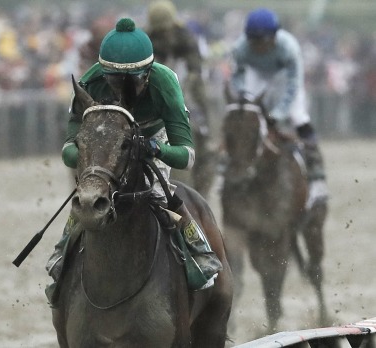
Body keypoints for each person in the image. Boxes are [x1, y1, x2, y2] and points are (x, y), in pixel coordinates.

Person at [46, 18, 222, 298]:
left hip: (154, 136)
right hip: (107, 143)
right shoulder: (90, 82)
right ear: (103, 72)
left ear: (148, 72)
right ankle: (63, 252)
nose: (121, 88)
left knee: (159, 193)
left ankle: (198, 253)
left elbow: (186, 157)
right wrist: (88, 155)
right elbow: (68, 148)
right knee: (88, 196)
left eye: (132, 80)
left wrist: (157, 149)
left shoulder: (165, 83)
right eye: (114, 80)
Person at [229, 8, 328, 209]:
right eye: (253, 42)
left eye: (262, 41)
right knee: (242, 116)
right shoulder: (240, 48)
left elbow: (293, 87)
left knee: (298, 116)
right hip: (257, 75)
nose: (257, 47)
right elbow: (238, 77)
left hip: (285, 78)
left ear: (274, 36)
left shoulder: (289, 48)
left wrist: (277, 114)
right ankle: (227, 167)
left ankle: (317, 177)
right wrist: (245, 99)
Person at [146, 0, 217, 199]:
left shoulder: (186, 38)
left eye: (165, 31)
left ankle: (207, 135)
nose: (162, 35)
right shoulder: (146, 39)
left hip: (184, 87)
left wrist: (180, 92)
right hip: (154, 89)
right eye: (159, 32)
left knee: (200, 105)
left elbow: (195, 71)